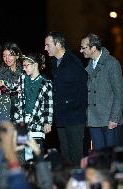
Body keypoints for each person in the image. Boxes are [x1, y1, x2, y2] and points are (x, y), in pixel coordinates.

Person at [44, 31, 87, 166]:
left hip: (74, 117)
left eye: (48, 45)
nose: (45, 48)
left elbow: (83, 90)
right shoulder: (54, 63)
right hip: (62, 117)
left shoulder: (73, 62)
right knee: (65, 154)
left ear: (58, 44)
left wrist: (73, 107)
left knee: (76, 154)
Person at [80, 33, 123, 150]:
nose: (81, 50)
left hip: (109, 120)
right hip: (94, 121)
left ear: (93, 48)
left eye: (84, 47)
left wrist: (114, 119)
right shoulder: (90, 64)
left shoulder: (112, 63)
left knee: (112, 158)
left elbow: (119, 93)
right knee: (99, 158)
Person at [13, 53, 53, 154]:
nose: (24, 68)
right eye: (23, 66)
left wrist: (48, 122)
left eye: (27, 66)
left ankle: (37, 168)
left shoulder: (46, 83)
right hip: (22, 121)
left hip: (37, 121)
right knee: (23, 153)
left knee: (36, 152)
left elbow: (48, 103)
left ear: (35, 65)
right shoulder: (22, 79)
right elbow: (13, 89)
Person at [0, 42, 23, 119]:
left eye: (10, 55)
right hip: (4, 110)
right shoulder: (0, 71)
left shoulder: (25, 70)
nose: (7, 59)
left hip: (22, 111)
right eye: (4, 56)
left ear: (17, 56)